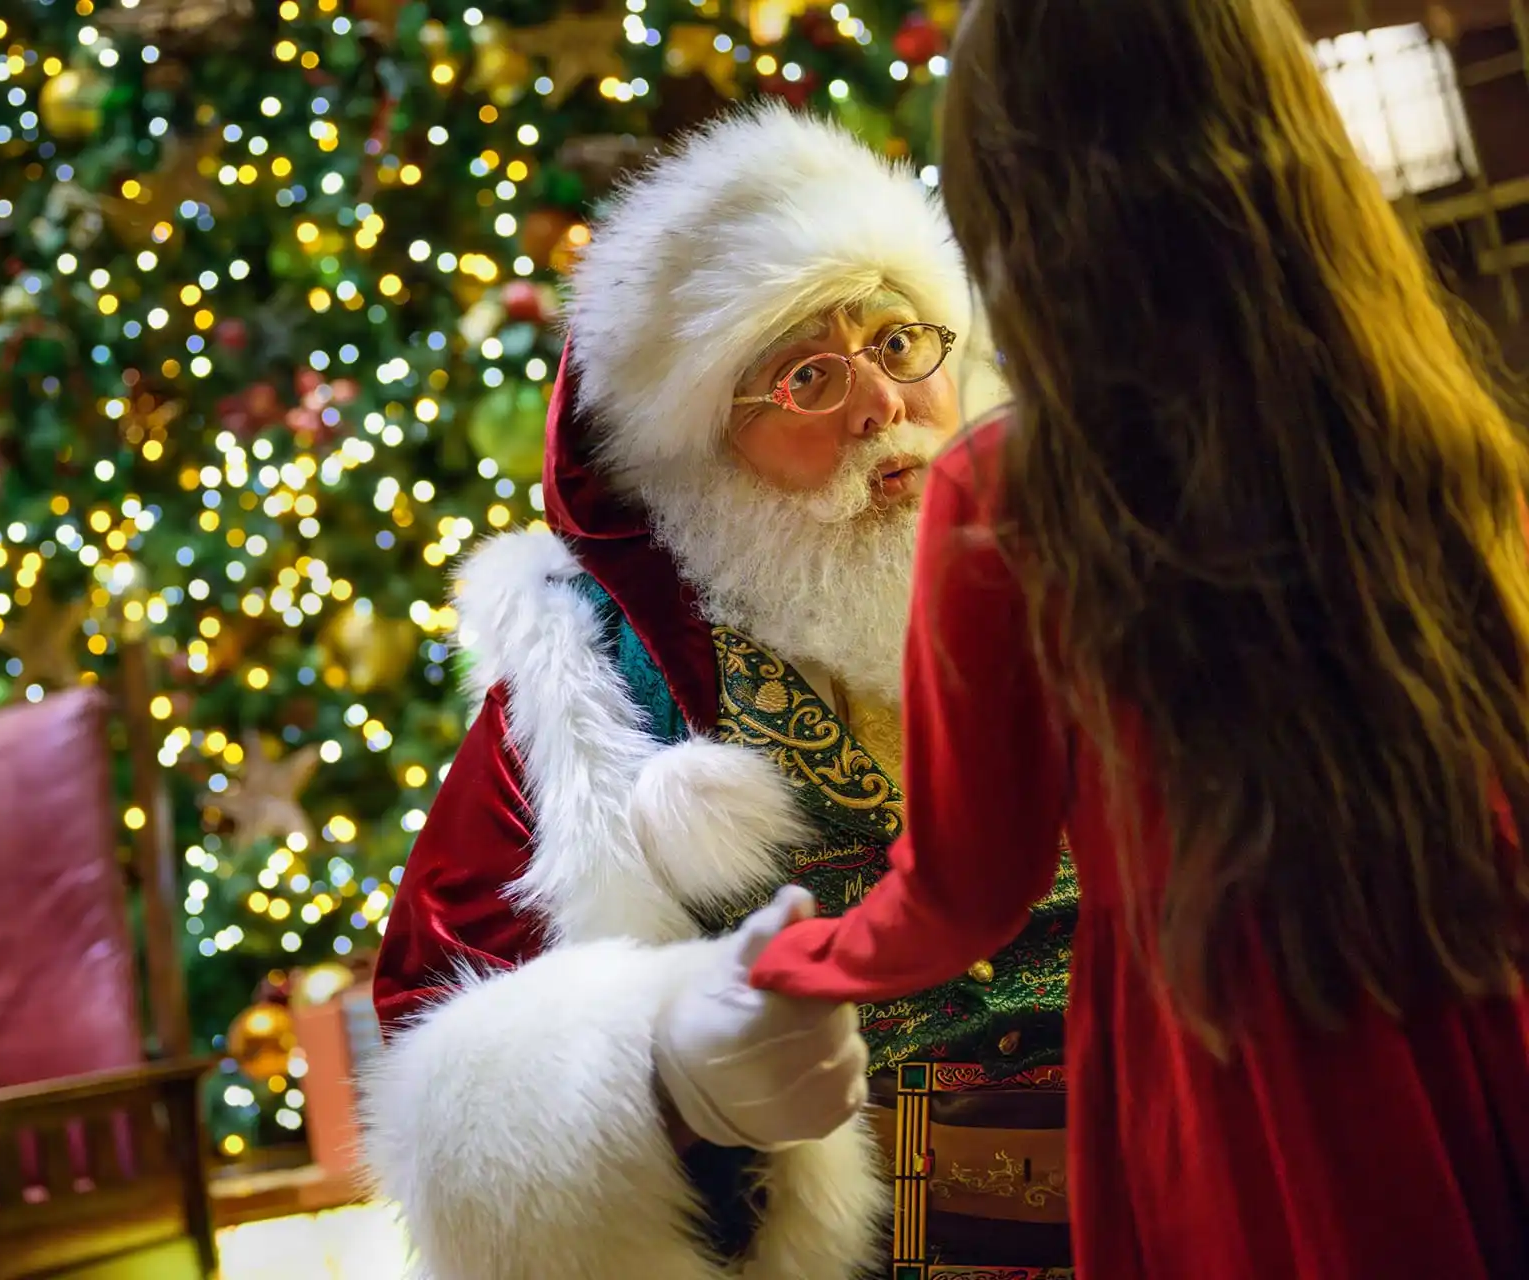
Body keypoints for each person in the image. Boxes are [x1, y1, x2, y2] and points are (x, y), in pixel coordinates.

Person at [749, 0, 1529, 1275]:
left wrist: (791, 959)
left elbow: (963, 895)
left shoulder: (1014, 493)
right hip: (1480, 973)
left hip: (1248, 1059)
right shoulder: (1419, 410)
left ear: (1021, 196)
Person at [361, 103, 1067, 1280]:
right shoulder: (595, 691)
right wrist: (656, 1064)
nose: (880, 406)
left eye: (897, 344)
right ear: (699, 453)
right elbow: (440, 1041)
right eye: (805, 375)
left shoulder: (1094, 581)